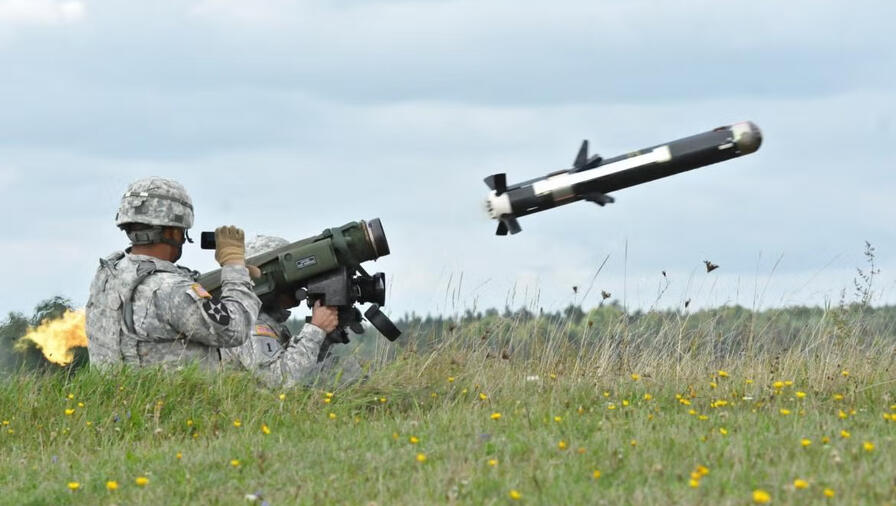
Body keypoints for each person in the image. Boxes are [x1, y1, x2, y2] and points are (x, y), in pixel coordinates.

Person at [85, 177, 261, 368]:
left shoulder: (106, 275)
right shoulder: (172, 290)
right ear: (172, 233)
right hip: (177, 398)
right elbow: (235, 330)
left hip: (119, 396)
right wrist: (234, 269)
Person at [219, 235, 363, 387]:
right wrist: (316, 329)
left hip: (267, 405)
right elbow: (279, 380)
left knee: (341, 369)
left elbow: (303, 366)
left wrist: (326, 335)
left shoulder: (266, 321)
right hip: (254, 407)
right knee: (343, 373)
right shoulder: (248, 323)